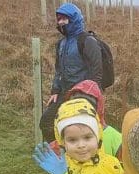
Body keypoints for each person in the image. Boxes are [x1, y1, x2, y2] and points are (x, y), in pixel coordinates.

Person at [39, 3, 103, 143]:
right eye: (59, 19)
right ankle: (59, 156)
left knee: (78, 128)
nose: (61, 22)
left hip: (82, 94)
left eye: (64, 19)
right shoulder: (61, 44)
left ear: (74, 19)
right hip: (63, 93)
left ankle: (80, 156)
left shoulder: (87, 41)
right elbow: (58, 70)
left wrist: (89, 97)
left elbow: (97, 73)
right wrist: (55, 90)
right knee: (46, 122)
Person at [64, 79, 122, 160]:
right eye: (76, 107)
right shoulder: (66, 135)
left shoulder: (116, 139)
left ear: (98, 109)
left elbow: (125, 170)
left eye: (87, 108)